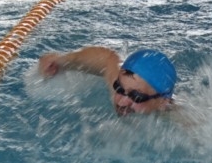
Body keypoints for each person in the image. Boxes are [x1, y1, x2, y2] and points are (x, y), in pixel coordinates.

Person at [38, 46, 178, 117]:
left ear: (162, 102)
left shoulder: (177, 123)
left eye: (136, 97)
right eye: (119, 88)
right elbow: (107, 59)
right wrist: (61, 60)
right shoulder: (127, 86)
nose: (121, 102)